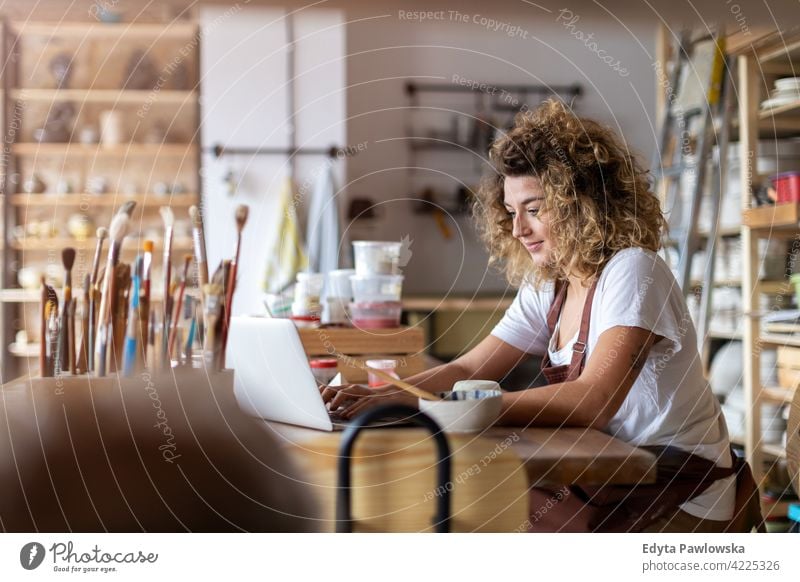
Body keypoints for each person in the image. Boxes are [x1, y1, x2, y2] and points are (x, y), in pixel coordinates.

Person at [322, 99, 760, 533]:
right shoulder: (551, 283)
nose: (518, 229)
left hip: (682, 492)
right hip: (609, 476)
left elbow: (592, 401)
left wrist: (445, 409)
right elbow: (469, 367)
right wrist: (387, 398)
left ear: (582, 202)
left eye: (534, 209)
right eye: (512, 212)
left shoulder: (633, 270)